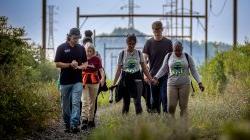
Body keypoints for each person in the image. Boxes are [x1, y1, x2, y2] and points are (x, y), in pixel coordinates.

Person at [152, 41, 204, 120]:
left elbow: (194, 71)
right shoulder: (169, 56)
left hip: (185, 84)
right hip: (171, 84)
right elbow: (163, 69)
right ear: (173, 49)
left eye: (179, 50)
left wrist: (199, 83)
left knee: (183, 107)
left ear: (182, 49)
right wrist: (156, 77)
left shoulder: (187, 56)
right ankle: (172, 126)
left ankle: (183, 127)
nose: (177, 52)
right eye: (175, 50)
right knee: (171, 107)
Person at [54, 28, 88, 133]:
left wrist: (78, 67)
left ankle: (74, 125)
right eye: (74, 38)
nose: (76, 40)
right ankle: (67, 124)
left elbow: (85, 64)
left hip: (77, 80)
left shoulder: (81, 48)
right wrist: (70, 64)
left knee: (76, 102)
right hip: (65, 81)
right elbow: (57, 64)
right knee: (65, 105)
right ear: (69, 36)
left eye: (78, 38)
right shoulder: (61, 48)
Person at [112, 34, 153, 114]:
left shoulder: (139, 53)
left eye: (133, 44)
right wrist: (114, 83)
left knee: (137, 102)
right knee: (126, 103)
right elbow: (118, 70)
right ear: (126, 43)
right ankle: (125, 122)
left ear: (135, 43)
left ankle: (139, 123)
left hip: (137, 79)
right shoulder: (122, 54)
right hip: (125, 79)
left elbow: (144, 68)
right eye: (129, 43)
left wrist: (150, 79)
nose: (131, 45)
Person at [143, 21, 173, 113]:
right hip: (152, 75)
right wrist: (145, 74)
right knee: (154, 99)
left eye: (158, 29)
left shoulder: (168, 42)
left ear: (162, 29)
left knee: (164, 96)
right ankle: (156, 117)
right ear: (152, 30)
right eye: (155, 29)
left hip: (165, 75)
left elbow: (172, 58)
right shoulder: (149, 43)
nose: (157, 31)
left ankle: (166, 116)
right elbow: (144, 59)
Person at [81, 44, 105, 130]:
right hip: (84, 82)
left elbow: (101, 70)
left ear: (93, 52)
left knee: (92, 101)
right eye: (87, 51)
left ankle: (91, 120)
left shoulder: (97, 59)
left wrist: (102, 79)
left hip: (94, 82)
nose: (89, 53)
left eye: (90, 51)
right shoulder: (81, 58)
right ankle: (84, 120)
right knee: (85, 100)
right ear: (85, 51)